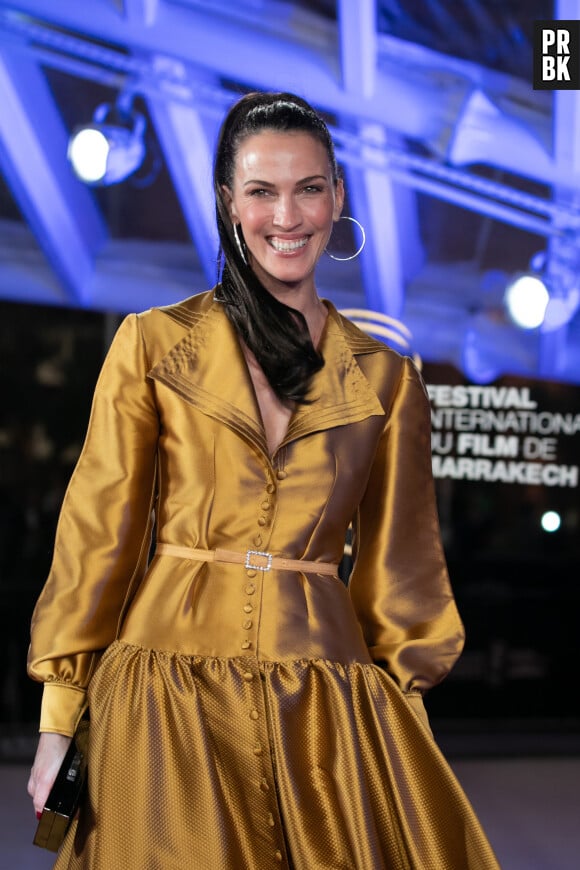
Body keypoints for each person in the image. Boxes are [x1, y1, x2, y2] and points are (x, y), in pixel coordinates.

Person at [27, 91, 500, 869]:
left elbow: (402, 572)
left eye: (309, 188)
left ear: (337, 196)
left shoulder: (385, 379)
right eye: (261, 190)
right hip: (163, 697)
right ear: (228, 202)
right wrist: (59, 721)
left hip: (324, 713)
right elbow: (97, 539)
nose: (289, 215)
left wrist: (407, 735)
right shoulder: (151, 345)